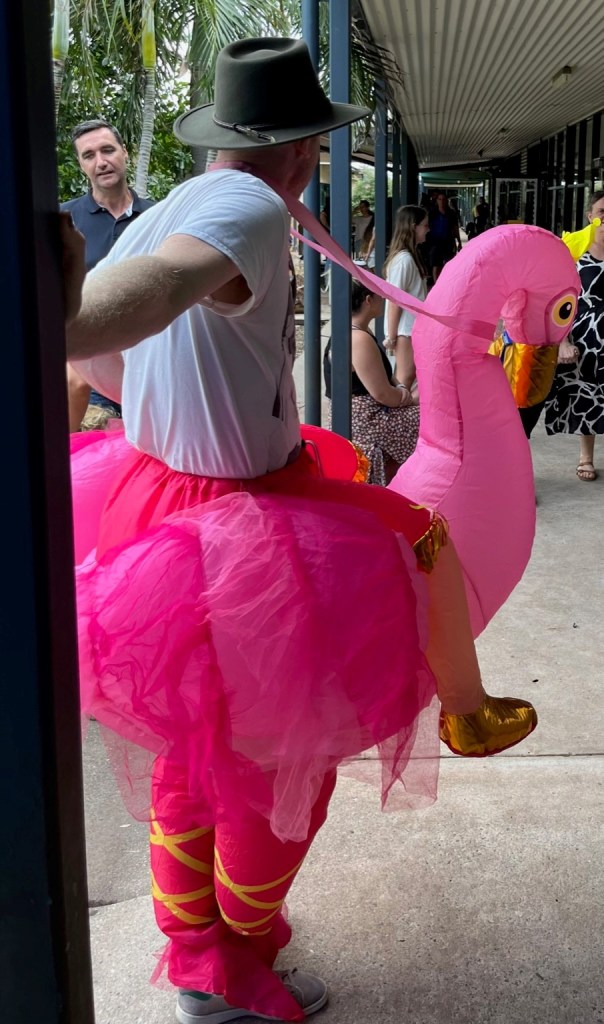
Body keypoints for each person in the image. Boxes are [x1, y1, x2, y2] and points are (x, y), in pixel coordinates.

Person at [66, 37, 537, 1024]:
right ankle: (462, 711)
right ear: (304, 150)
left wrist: (87, 339)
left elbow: (104, 360)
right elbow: (149, 297)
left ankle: (194, 952)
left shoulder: (160, 208)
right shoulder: (247, 203)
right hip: (234, 527)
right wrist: (56, 311)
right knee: (287, 752)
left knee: (193, 753)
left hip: (149, 505)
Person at [62, 119, 154, 431]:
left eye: (108, 150)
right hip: (87, 378)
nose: (101, 162)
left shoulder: (157, 216)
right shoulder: (63, 220)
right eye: (89, 155)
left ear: (124, 153)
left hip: (150, 372)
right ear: (81, 165)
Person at [324, 280, 419, 484]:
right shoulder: (358, 338)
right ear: (368, 300)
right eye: (379, 294)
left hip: (362, 414)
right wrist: (407, 397)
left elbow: (386, 380)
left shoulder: (355, 331)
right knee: (427, 419)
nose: (383, 298)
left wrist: (402, 389)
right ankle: (409, 484)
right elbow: (382, 394)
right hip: (364, 419)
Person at [545, 190, 604, 480]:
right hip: (585, 336)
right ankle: (586, 458)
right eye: (602, 212)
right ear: (590, 216)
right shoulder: (573, 250)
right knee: (587, 396)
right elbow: (557, 301)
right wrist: (562, 341)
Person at [383, 204, 430, 389]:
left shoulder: (409, 257)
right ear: (413, 226)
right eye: (425, 225)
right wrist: (391, 337)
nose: (428, 229)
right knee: (404, 380)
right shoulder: (404, 260)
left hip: (411, 330)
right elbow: (394, 301)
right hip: (406, 331)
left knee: (407, 379)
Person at [427, 191, 461, 282]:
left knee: (448, 264)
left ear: (446, 201)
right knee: (436, 265)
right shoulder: (432, 213)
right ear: (436, 201)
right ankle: (436, 284)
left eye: (443, 199)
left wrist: (459, 242)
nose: (441, 201)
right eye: (440, 199)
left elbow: (455, 228)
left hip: (448, 241)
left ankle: (446, 282)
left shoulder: (451, 213)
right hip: (435, 242)